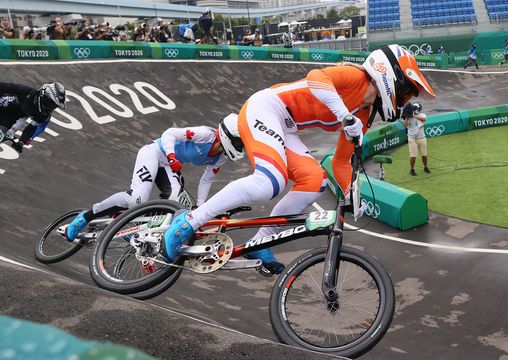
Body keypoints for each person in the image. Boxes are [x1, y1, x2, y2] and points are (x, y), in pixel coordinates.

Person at [161, 44, 436, 274]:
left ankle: (260, 243)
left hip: (286, 125)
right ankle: (189, 222)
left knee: (315, 180)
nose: (404, 100)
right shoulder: (355, 76)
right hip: (266, 108)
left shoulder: (364, 115)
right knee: (268, 182)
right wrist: (344, 115)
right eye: (406, 91)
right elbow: (317, 77)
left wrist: (354, 193)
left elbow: (341, 162)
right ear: (388, 75)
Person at [65, 121, 232, 241]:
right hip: (155, 153)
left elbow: (207, 179)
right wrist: (172, 156)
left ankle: (139, 227)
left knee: (176, 200)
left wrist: (200, 204)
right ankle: (85, 217)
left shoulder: (221, 158)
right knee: (137, 198)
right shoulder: (205, 135)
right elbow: (169, 133)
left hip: (167, 165)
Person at [0, 82, 66, 152]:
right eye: (50, 104)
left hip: (9, 118)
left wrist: (21, 142)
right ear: (43, 96)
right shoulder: (24, 90)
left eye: (54, 106)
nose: (50, 108)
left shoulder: (43, 115)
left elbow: (31, 128)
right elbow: (2, 86)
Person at [402, 102, 430, 176]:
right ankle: (412, 169)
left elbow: (423, 119)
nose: (416, 110)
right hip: (412, 139)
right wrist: (407, 117)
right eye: (414, 109)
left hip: (422, 138)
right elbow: (405, 125)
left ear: (419, 109)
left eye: (417, 109)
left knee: (424, 155)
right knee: (413, 156)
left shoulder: (422, 115)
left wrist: (414, 115)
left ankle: (425, 167)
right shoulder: (409, 117)